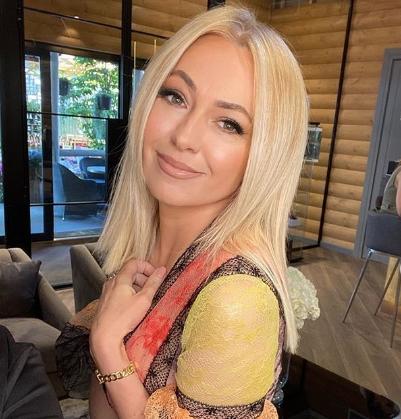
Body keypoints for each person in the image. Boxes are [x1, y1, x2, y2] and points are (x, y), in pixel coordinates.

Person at [56, 5, 308, 418]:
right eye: (175, 96)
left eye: (228, 123)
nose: (184, 136)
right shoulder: (150, 244)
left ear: (265, 154)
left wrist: (107, 346)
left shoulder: (235, 300)